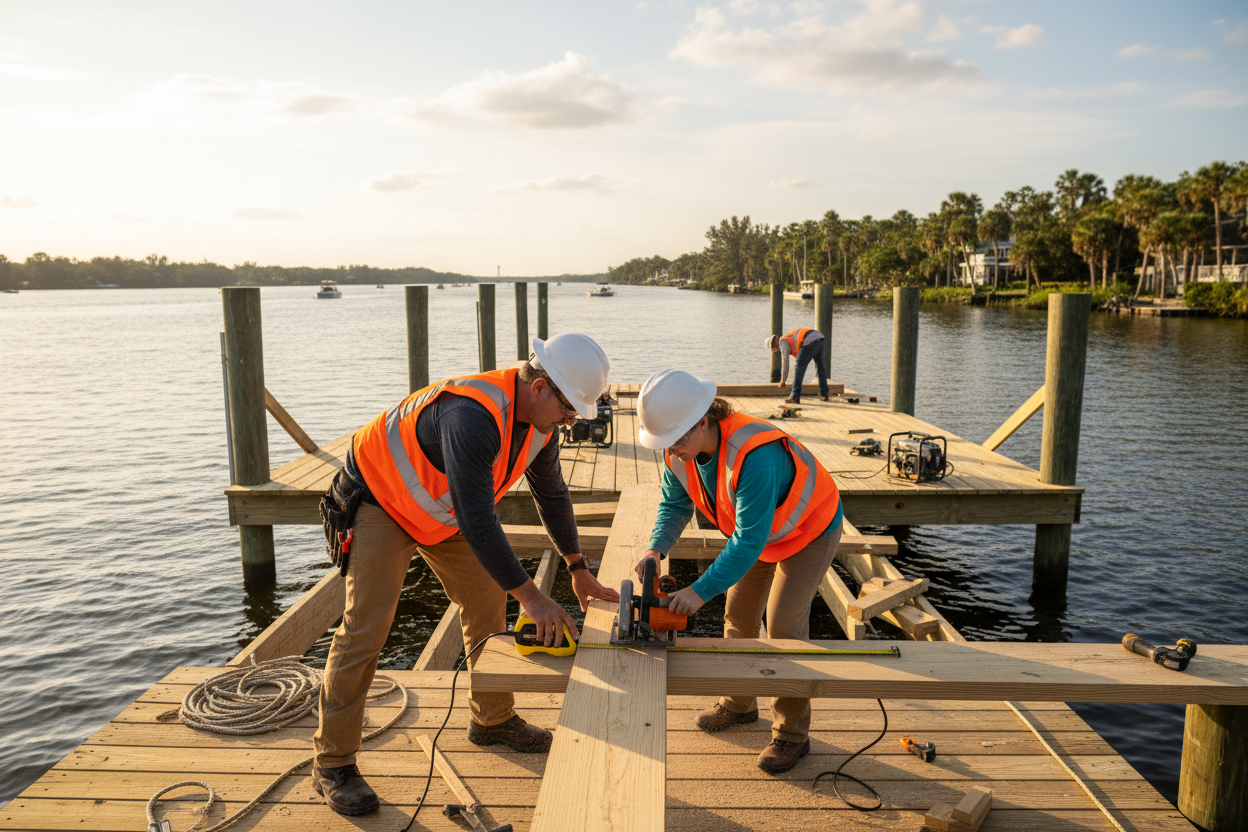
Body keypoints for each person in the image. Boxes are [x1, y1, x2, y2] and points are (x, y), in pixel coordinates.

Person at [312, 333, 620, 816]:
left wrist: (577, 567)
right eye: (568, 408)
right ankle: (333, 763)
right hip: (380, 499)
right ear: (540, 387)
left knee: (485, 600)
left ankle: (492, 719)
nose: (571, 419)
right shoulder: (472, 415)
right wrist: (533, 597)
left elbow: (553, 495)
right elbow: (479, 520)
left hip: (439, 508)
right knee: (366, 628)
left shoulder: (540, 424)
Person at [633, 369, 843, 774]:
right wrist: (656, 549)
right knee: (739, 616)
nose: (672, 450)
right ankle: (740, 703)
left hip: (809, 529)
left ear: (703, 420)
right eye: (665, 443)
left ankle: (792, 735)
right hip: (758, 533)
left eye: (677, 440)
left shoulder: (756, 455)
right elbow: (675, 506)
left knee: (783, 627)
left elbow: (748, 542)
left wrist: (698, 590)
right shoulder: (680, 452)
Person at [765, 327, 828, 404]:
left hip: (810, 341)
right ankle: (824, 394)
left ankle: (795, 396)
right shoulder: (789, 338)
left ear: (775, 341)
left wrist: (782, 381)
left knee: (799, 366)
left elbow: (785, 363)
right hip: (821, 339)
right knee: (820, 367)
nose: (777, 348)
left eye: (774, 347)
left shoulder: (782, 342)